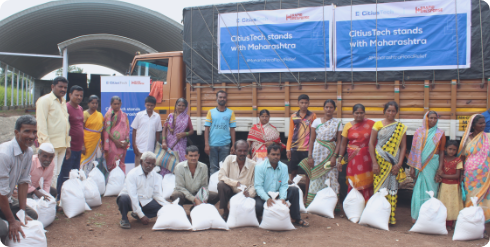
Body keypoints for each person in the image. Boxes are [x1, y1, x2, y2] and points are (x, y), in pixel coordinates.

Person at [0, 115, 39, 244]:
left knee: (32, 216)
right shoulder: (4, 154)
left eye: (34, 132)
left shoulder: (28, 153)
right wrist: (12, 221)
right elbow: (1, 193)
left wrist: (22, 213)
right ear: (17, 133)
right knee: (2, 230)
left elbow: (23, 182)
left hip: (7, 200)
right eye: (27, 131)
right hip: (2, 198)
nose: (32, 136)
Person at [368, 101, 407, 225]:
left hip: (393, 164)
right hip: (380, 162)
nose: (391, 113)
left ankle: (390, 218)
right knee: (379, 188)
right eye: (388, 110)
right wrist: (374, 162)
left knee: (391, 188)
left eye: (393, 111)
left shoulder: (400, 127)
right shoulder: (378, 125)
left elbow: (403, 146)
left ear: (396, 112)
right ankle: (377, 216)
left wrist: (399, 164)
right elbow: (371, 143)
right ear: (384, 111)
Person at [299, 100, 342, 206]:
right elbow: (312, 140)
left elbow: (339, 141)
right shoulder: (317, 121)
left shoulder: (338, 123)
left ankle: (330, 204)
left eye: (331, 107)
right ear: (324, 108)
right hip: (317, 153)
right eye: (327, 107)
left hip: (331, 152)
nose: (329, 109)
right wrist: (310, 156)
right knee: (316, 176)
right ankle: (314, 203)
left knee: (331, 176)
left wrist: (334, 157)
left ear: (334, 109)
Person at [254, 144, 309, 227]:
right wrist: (267, 198)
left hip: (278, 194)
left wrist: (282, 198)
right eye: (273, 154)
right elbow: (258, 187)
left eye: (278, 154)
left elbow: (284, 185)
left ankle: (296, 218)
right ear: (267, 155)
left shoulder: (284, 167)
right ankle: (262, 217)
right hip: (265, 195)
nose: (276, 157)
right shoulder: (259, 167)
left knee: (294, 190)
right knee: (257, 206)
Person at [407, 111, 445, 222]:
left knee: (432, 190)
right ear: (426, 119)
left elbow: (442, 152)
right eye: (431, 118)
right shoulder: (419, 132)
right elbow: (414, 151)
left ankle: (430, 217)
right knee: (418, 190)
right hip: (420, 165)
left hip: (433, 164)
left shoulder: (440, 133)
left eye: (435, 118)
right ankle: (417, 216)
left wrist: (440, 168)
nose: (433, 120)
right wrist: (412, 167)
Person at [117, 151, 168, 229]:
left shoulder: (155, 176)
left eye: (153, 164)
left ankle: (137, 214)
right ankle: (124, 218)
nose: (150, 166)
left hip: (145, 201)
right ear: (141, 162)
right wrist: (142, 216)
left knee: (161, 207)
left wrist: (167, 205)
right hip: (131, 200)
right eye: (148, 163)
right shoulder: (132, 174)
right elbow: (133, 196)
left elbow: (157, 195)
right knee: (123, 198)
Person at [35, 76, 70, 187]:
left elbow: (65, 125)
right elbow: (41, 123)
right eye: (60, 86)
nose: (63, 89)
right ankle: (45, 200)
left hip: (62, 145)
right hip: (50, 147)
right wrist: (46, 146)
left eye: (65, 87)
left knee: (56, 174)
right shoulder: (45, 100)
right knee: (48, 175)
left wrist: (67, 145)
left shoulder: (63, 102)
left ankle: (51, 200)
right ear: (52, 86)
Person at [337, 104, 375, 202]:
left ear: (364, 113)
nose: (359, 115)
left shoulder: (371, 124)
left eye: (361, 113)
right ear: (353, 113)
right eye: (357, 113)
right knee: (353, 181)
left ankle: (366, 203)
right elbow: (343, 144)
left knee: (366, 181)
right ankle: (354, 203)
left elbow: (376, 141)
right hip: (352, 159)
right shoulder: (348, 126)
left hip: (367, 158)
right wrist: (340, 159)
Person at [457, 114, 490, 221]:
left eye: (484, 122)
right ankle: (469, 221)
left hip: (484, 176)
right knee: (470, 197)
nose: (483, 125)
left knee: (483, 199)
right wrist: (460, 174)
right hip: (470, 176)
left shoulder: (488, 137)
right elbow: (461, 157)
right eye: (480, 123)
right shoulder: (466, 138)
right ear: (473, 125)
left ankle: (482, 222)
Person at [57, 85, 84, 199]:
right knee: (65, 174)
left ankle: (72, 196)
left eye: (81, 95)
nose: (78, 97)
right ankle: (60, 196)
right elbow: (63, 127)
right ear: (70, 95)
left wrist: (82, 144)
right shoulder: (66, 108)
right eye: (76, 95)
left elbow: (80, 126)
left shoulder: (81, 108)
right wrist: (67, 146)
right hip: (69, 148)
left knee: (74, 173)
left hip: (78, 148)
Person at [218, 140, 256, 220]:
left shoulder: (253, 165)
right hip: (231, 191)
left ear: (248, 151)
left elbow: (255, 184)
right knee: (221, 185)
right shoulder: (229, 159)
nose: (242, 153)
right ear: (234, 151)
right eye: (240, 150)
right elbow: (221, 176)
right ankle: (226, 212)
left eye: (245, 151)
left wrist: (249, 193)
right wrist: (236, 183)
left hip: (244, 194)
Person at [204, 90, 236, 174]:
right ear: (216, 98)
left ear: (226, 99)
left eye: (224, 97)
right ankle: (213, 186)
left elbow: (232, 129)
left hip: (225, 144)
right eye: (220, 97)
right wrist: (206, 144)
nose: (222, 99)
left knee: (224, 168)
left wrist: (233, 145)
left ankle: (222, 186)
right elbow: (206, 128)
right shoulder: (211, 112)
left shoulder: (230, 112)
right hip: (212, 144)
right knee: (213, 167)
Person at [287, 94, 317, 182]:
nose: (304, 104)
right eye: (302, 102)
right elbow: (290, 133)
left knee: (308, 172)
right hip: (295, 148)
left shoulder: (312, 116)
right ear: (298, 103)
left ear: (309, 103)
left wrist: (313, 149)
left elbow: (314, 133)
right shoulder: (293, 116)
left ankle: (306, 194)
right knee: (293, 172)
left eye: (306, 103)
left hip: (307, 149)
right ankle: (293, 190)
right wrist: (288, 149)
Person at [437, 140, 463, 231]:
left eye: (454, 150)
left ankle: (450, 224)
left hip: (453, 187)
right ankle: (442, 223)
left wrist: (443, 175)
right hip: (444, 186)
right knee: (443, 203)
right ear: (445, 149)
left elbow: (457, 176)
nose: (451, 151)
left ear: (457, 151)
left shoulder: (458, 161)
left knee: (452, 204)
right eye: (450, 149)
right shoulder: (442, 159)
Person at [162, 98, 194, 170]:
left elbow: (192, 131)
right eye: (179, 105)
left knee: (181, 161)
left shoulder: (187, 117)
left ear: (186, 107)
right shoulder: (170, 116)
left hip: (181, 143)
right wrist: (164, 141)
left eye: (183, 105)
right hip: (169, 143)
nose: (181, 107)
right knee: (169, 162)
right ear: (176, 106)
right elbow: (164, 128)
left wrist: (184, 134)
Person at [132, 96, 163, 167]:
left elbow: (158, 132)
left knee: (148, 167)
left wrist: (157, 146)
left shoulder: (157, 116)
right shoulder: (139, 115)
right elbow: (134, 130)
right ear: (145, 105)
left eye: (151, 105)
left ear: (155, 106)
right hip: (139, 147)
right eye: (148, 105)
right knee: (138, 167)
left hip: (150, 147)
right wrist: (134, 145)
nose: (149, 107)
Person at [103, 96, 130, 173]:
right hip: (112, 143)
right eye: (115, 104)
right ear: (111, 104)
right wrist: (115, 141)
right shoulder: (109, 115)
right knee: (112, 162)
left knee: (121, 162)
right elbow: (106, 130)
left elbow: (127, 129)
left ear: (121, 104)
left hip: (122, 144)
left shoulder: (124, 115)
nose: (117, 106)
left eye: (118, 104)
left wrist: (127, 141)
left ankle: (120, 179)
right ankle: (111, 179)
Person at [80, 95, 104, 171]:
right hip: (87, 141)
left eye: (96, 103)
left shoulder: (99, 115)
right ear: (88, 104)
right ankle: (84, 177)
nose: (94, 105)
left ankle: (93, 178)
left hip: (97, 141)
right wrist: (82, 145)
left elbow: (102, 129)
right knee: (86, 160)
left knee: (96, 160)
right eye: (92, 103)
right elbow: (81, 129)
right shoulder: (85, 114)